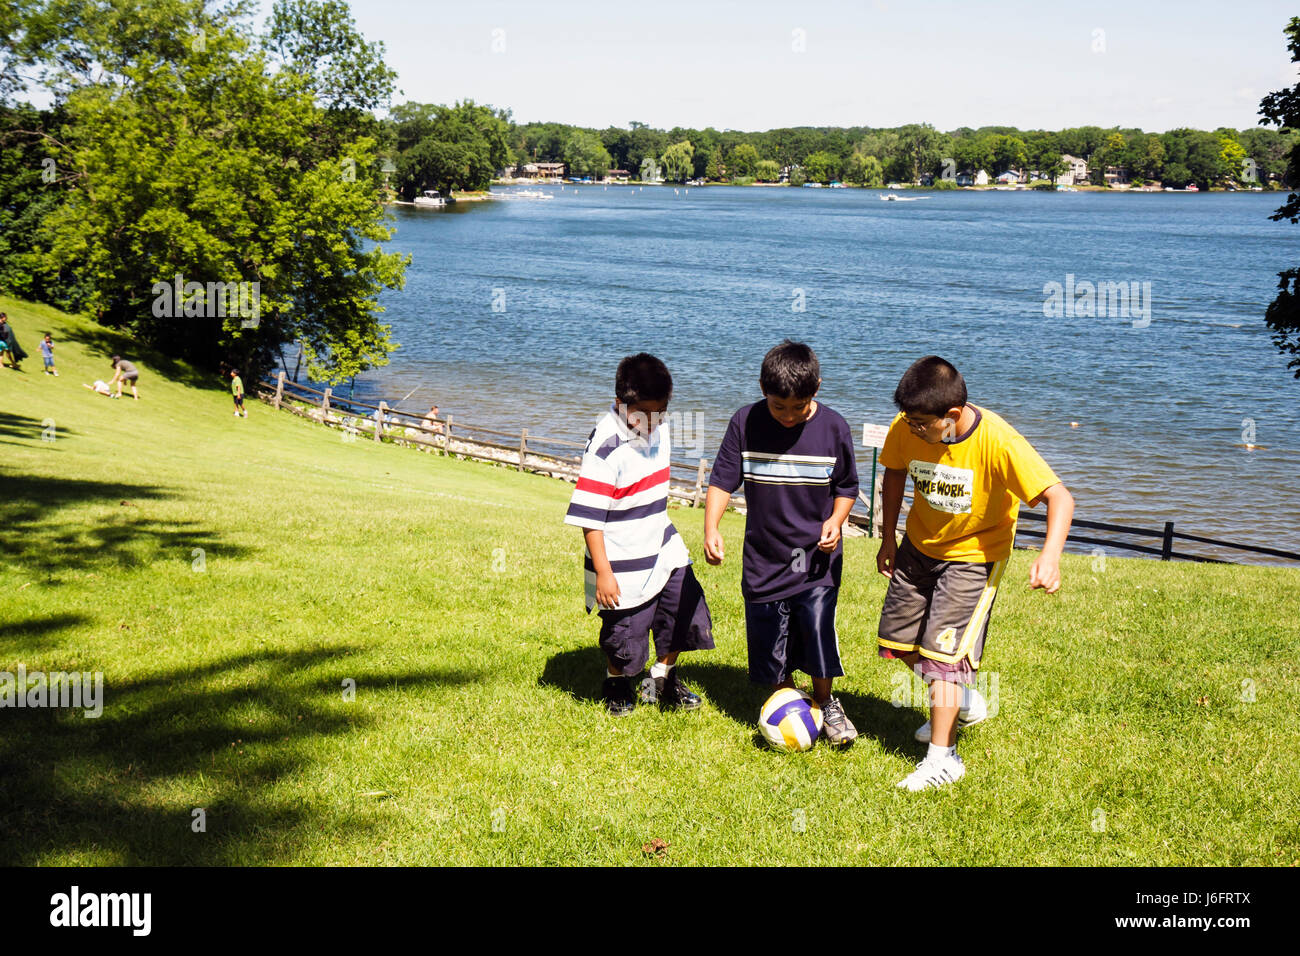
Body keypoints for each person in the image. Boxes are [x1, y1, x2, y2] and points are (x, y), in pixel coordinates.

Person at [875, 355, 1074, 791]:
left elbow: (1060, 498)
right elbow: (893, 475)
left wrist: (1050, 556)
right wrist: (888, 537)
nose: (912, 429)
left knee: (943, 659)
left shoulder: (999, 442)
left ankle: (944, 759)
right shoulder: (907, 426)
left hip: (973, 559)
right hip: (917, 548)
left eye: (920, 424)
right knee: (897, 644)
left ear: (951, 415)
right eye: (907, 421)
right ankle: (962, 701)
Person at [703, 340, 860, 746]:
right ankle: (788, 697)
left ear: (818, 388)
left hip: (816, 559)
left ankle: (826, 703)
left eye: (800, 407)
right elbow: (722, 480)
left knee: (816, 628)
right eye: (779, 407)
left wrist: (836, 521)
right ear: (762, 389)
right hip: (764, 556)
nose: (789, 416)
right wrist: (711, 528)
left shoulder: (834, 428)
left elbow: (846, 486)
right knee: (771, 634)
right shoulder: (745, 422)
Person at [564, 353, 715, 715]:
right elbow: (591, 519)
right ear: (619, 403)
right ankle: (617, 683)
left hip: (661, 542)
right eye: (644, 414)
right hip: (620, 557)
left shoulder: (658, 426)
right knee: (626, 635)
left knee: (684, 609)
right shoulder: (605, 448)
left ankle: (662, 679)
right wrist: (603, 572)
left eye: (661, 412)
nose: (653, 421)